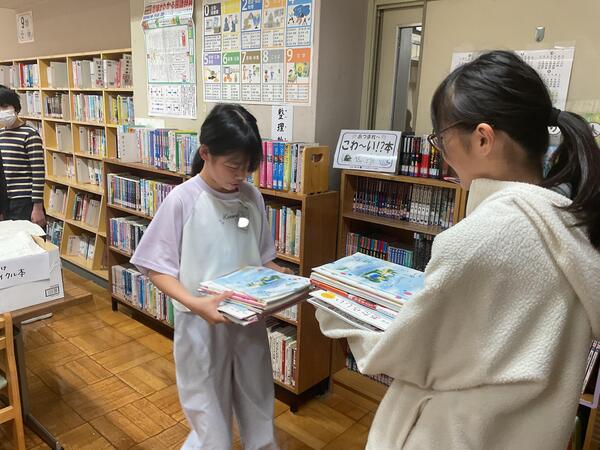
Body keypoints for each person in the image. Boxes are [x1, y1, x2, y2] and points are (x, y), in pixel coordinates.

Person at [316, 50, 600, 449]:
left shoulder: (478, 239)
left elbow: (407, 355)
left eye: (441, 138)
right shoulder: (574, 225)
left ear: (482, 138)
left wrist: (336, 313)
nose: (442, 155)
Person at [131, 104, 289, 449]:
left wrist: (286, 281)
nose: (241, 175)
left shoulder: (251, 196)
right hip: (200, 323)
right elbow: (155, 266)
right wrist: (195, 303)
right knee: (209, 415)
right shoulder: (183, 200)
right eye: (233, 165)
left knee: (259, 404)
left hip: (248, 319)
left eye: (248, 167)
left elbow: (262, 257)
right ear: (205, 153)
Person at [0, 86, 45, 226]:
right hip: (6, 200)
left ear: (16, 108)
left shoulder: (30, 134)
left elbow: (38, 172)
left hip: (24, 201)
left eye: (5, 106)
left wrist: (37, 207)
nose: (2, 112)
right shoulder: (1, 134)